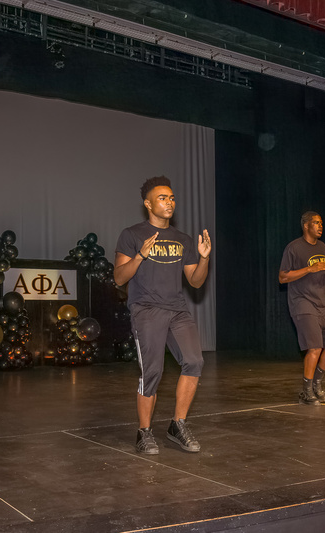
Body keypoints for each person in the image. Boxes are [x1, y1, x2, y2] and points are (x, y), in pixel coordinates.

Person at [114, 176, 211, 454]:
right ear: (148, 204)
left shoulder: (183, 239)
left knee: (194, 361)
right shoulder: (132, 235)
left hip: (177, 310)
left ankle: (177, 425)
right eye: (162, 198)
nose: (169, 202)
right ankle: (144, 432)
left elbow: (195, 282)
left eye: (172, 198)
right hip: (146, 309)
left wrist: (204, 258)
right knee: (152, 371)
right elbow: (119, 277)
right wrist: (140, 256)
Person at [279, 211, 325, 405]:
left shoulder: (323, 247)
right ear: (306, 225)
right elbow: (282, 277)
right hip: (302, 302)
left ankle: (316, 383)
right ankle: (307, 391)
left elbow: (320, 276)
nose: (320, 226)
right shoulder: (294, 248)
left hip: (323, 302)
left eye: (321, 223)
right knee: (314, 347)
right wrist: (309, 268)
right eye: (316, 223)